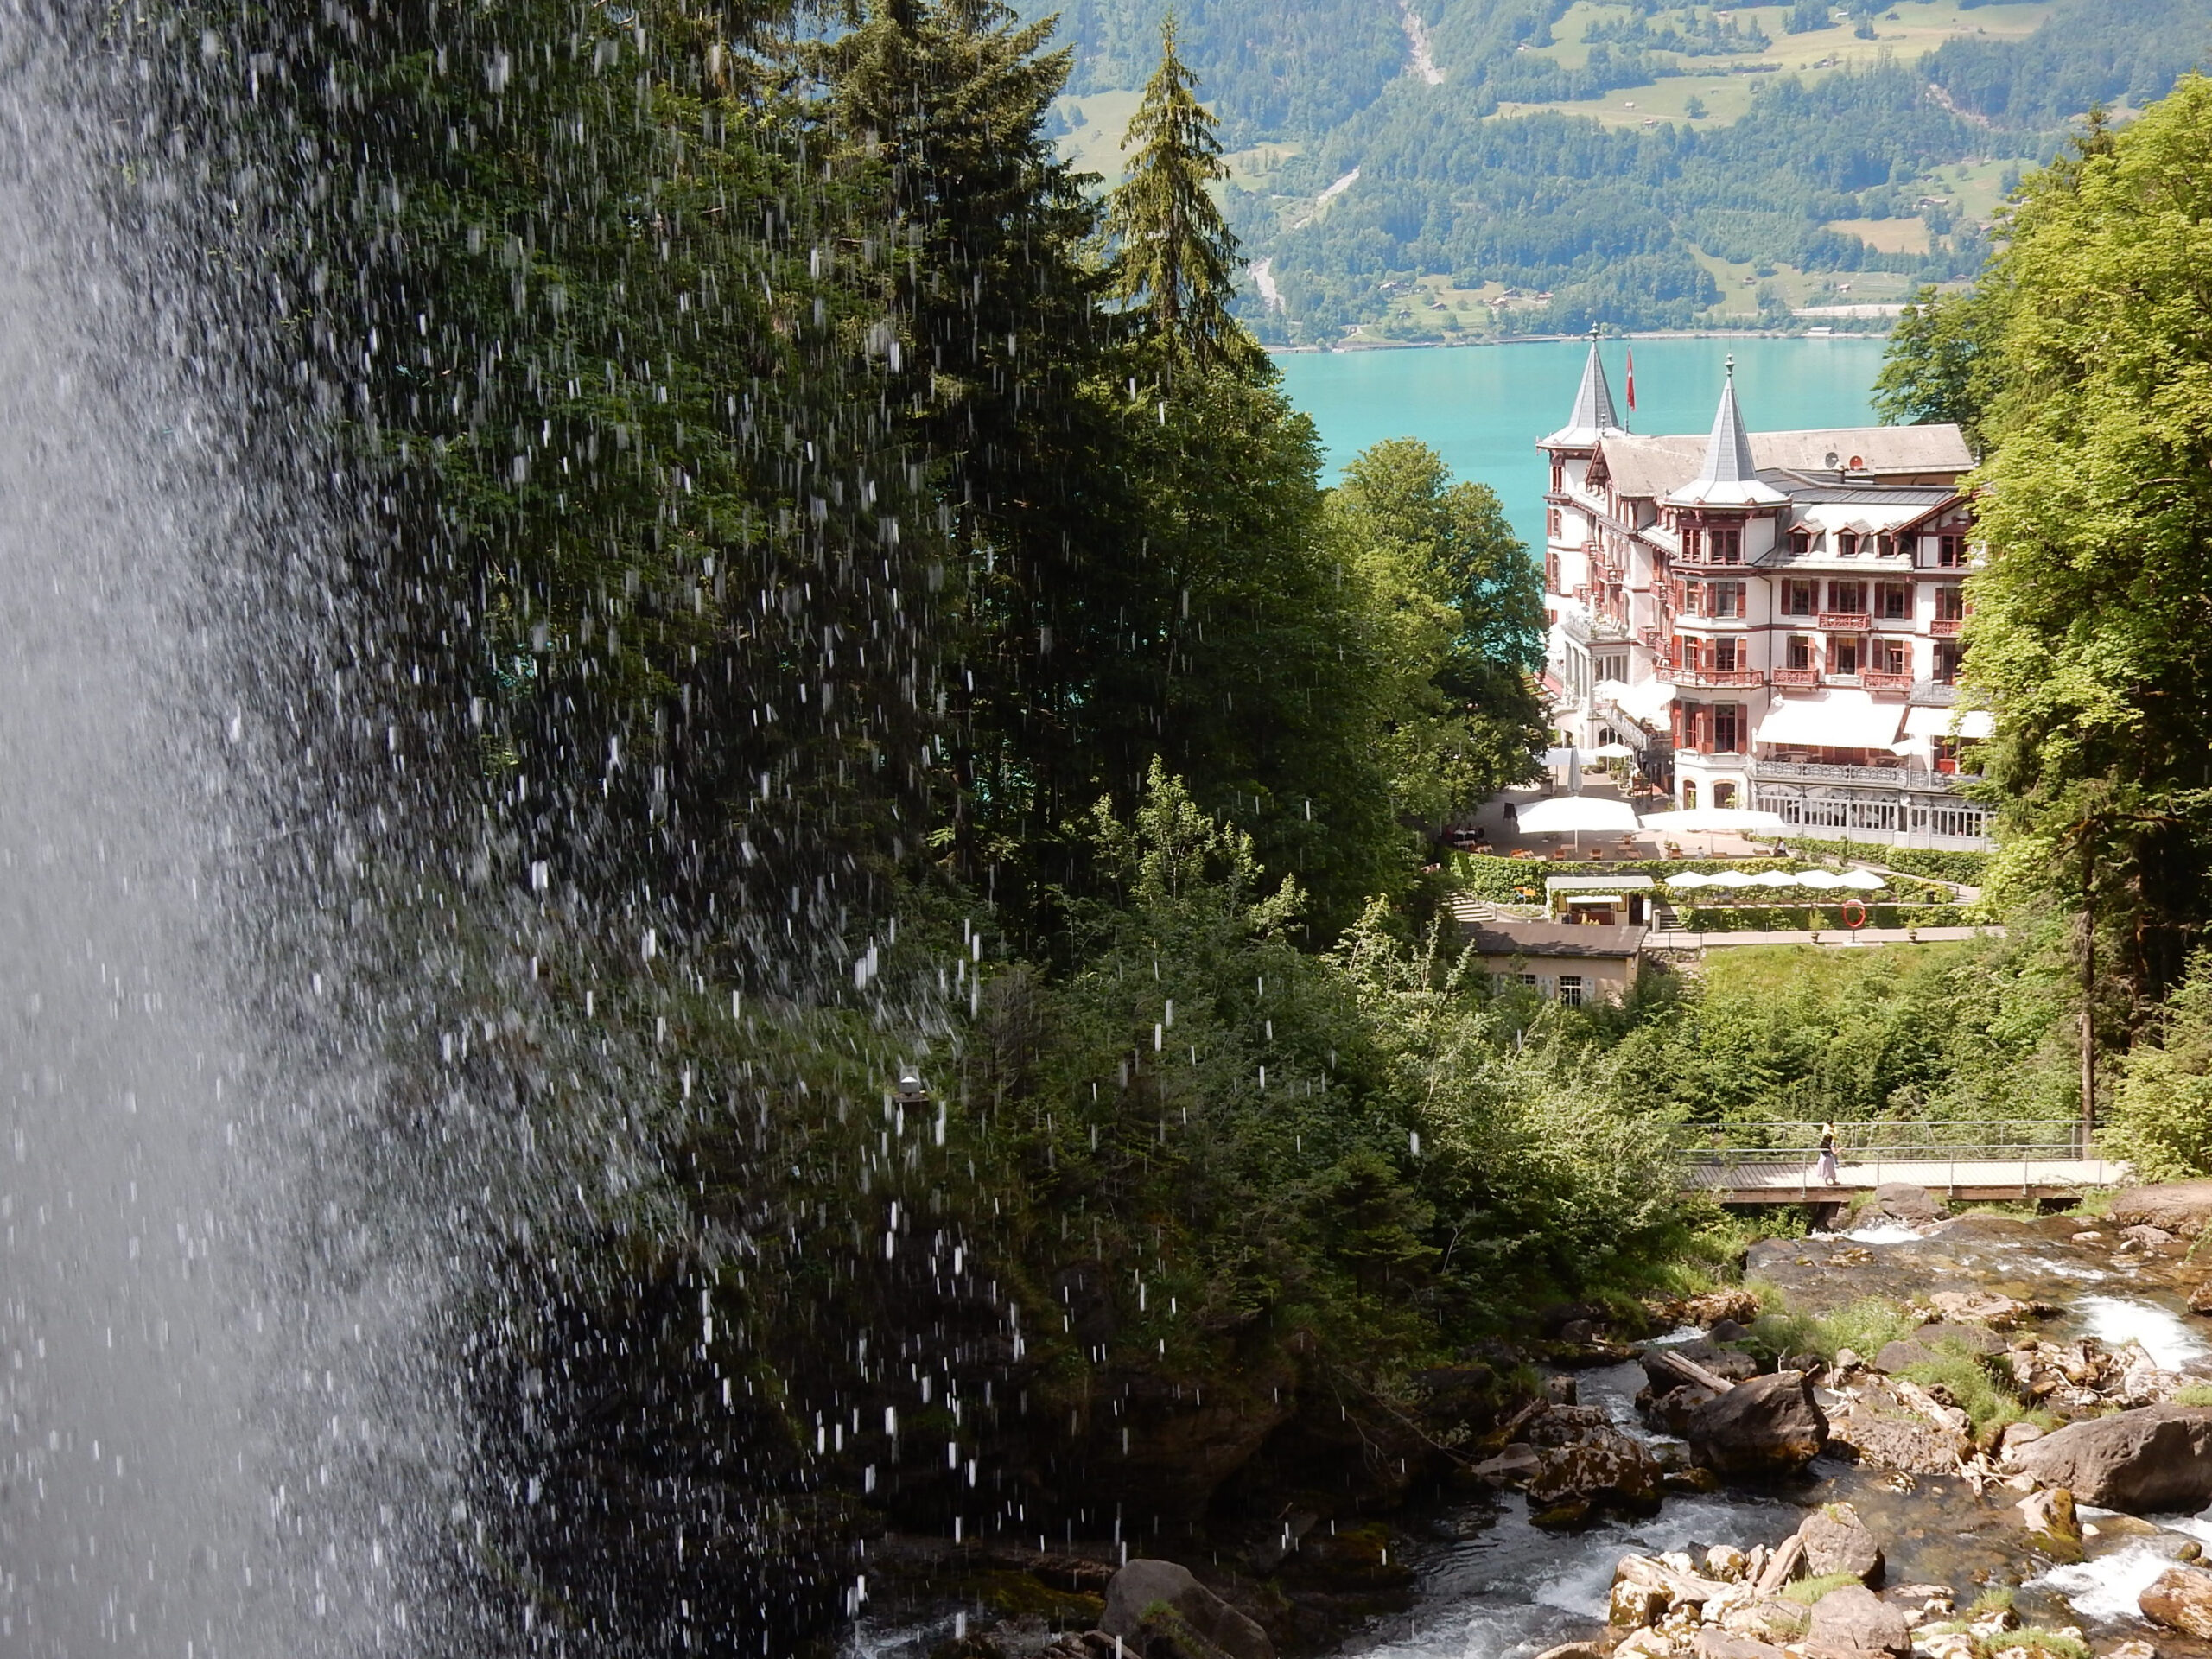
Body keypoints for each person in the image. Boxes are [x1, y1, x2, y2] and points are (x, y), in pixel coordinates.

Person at [1815, 1122, 1840, 1186]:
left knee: (1825, 1171)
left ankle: (1826, 1182)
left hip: (1822, 1159)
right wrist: (1841, 1149)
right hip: (1828, 1159)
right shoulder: (1830, 1144)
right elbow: (1834, 1152)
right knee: (1831, 1171)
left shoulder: (1823, 1143)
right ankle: (1834, 1182)